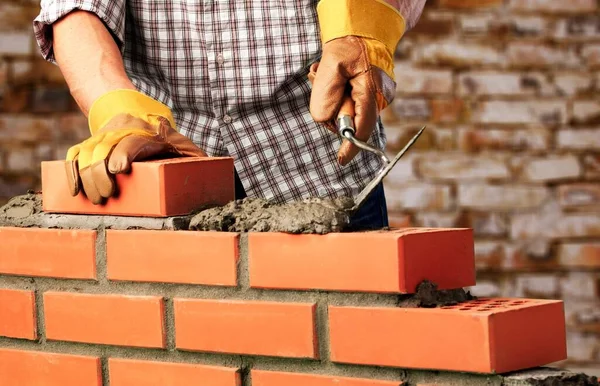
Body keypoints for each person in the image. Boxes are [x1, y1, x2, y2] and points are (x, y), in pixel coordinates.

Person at [33, 0, 426, 229]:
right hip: (163, 163)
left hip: (318, 163)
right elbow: (75, 7)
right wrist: (118, 107)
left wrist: (359, 33)